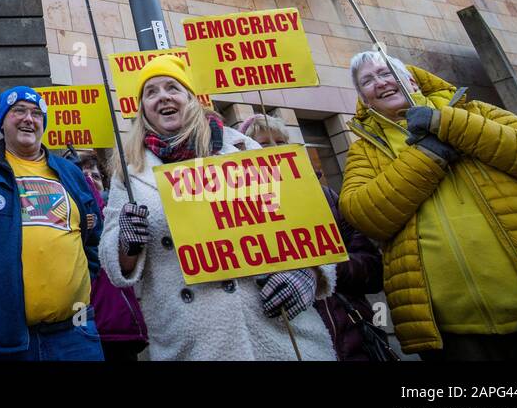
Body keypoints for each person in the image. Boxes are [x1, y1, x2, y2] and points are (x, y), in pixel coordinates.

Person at [339, 51, 517, 359]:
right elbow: (365, 215)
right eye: (368, 81)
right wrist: (428, 155)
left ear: (412, 79)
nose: (381, 83)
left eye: (387, 73)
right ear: (365, 100)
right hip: (451, 334)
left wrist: (450, 125)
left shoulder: (475, 111)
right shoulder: (366, 149)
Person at [98, 55, 338, 361]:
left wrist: (307, 274)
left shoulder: (242, 148)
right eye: (151, 92)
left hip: (274, 329)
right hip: (193, 339)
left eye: (172, 87)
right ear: (143, 109)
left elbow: (303, 220)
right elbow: (113, 259)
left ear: (190, 98)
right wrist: (125, 244)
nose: (163, 97)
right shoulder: (130, 172)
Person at [0, 86, 103, 360]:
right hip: (7, 340)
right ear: (1, 122)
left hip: (76, 332)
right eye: (18, 111)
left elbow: (93, 237)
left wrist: (82, 285)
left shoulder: (70, 172)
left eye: (36, 113)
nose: (28, 118)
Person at [243, 114, 386, 360]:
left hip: (351, 337)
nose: (274, 150)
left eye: (280, 141)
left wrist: (320, 270)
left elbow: (372, 269)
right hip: (289, 343)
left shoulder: (327, 198)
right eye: (264, 144)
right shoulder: (238, 211)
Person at [79, 152, 149, 361]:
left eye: (96, 176)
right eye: (83, 178)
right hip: (83, 328)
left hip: (120, 330)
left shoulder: (118, 214)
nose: (91, 181)